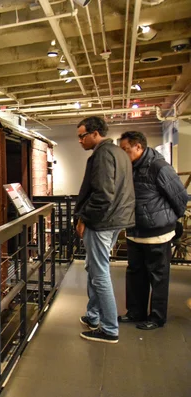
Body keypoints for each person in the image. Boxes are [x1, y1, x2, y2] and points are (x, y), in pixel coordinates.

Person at [118, 131, 189, 330]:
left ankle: (157, 318)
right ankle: (135, 312)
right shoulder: (130, 168)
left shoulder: (159, 167)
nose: (123, 154)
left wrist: (168, 221)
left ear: (138, 147)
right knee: (135, 275)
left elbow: (180, 197)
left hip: (158, 234)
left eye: (126, 150)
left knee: (158, 277)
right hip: (135, 232)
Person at [74, 116, 135, 344]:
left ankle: (109, 329)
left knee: (99, 274)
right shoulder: (119, 153)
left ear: (95, 133)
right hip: (115, 220)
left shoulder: (102, 154)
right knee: (94, 267)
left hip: (102, 222)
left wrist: (84, 218)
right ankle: (93, 316)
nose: (80, 141)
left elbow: (103, 195)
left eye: (82, 136)